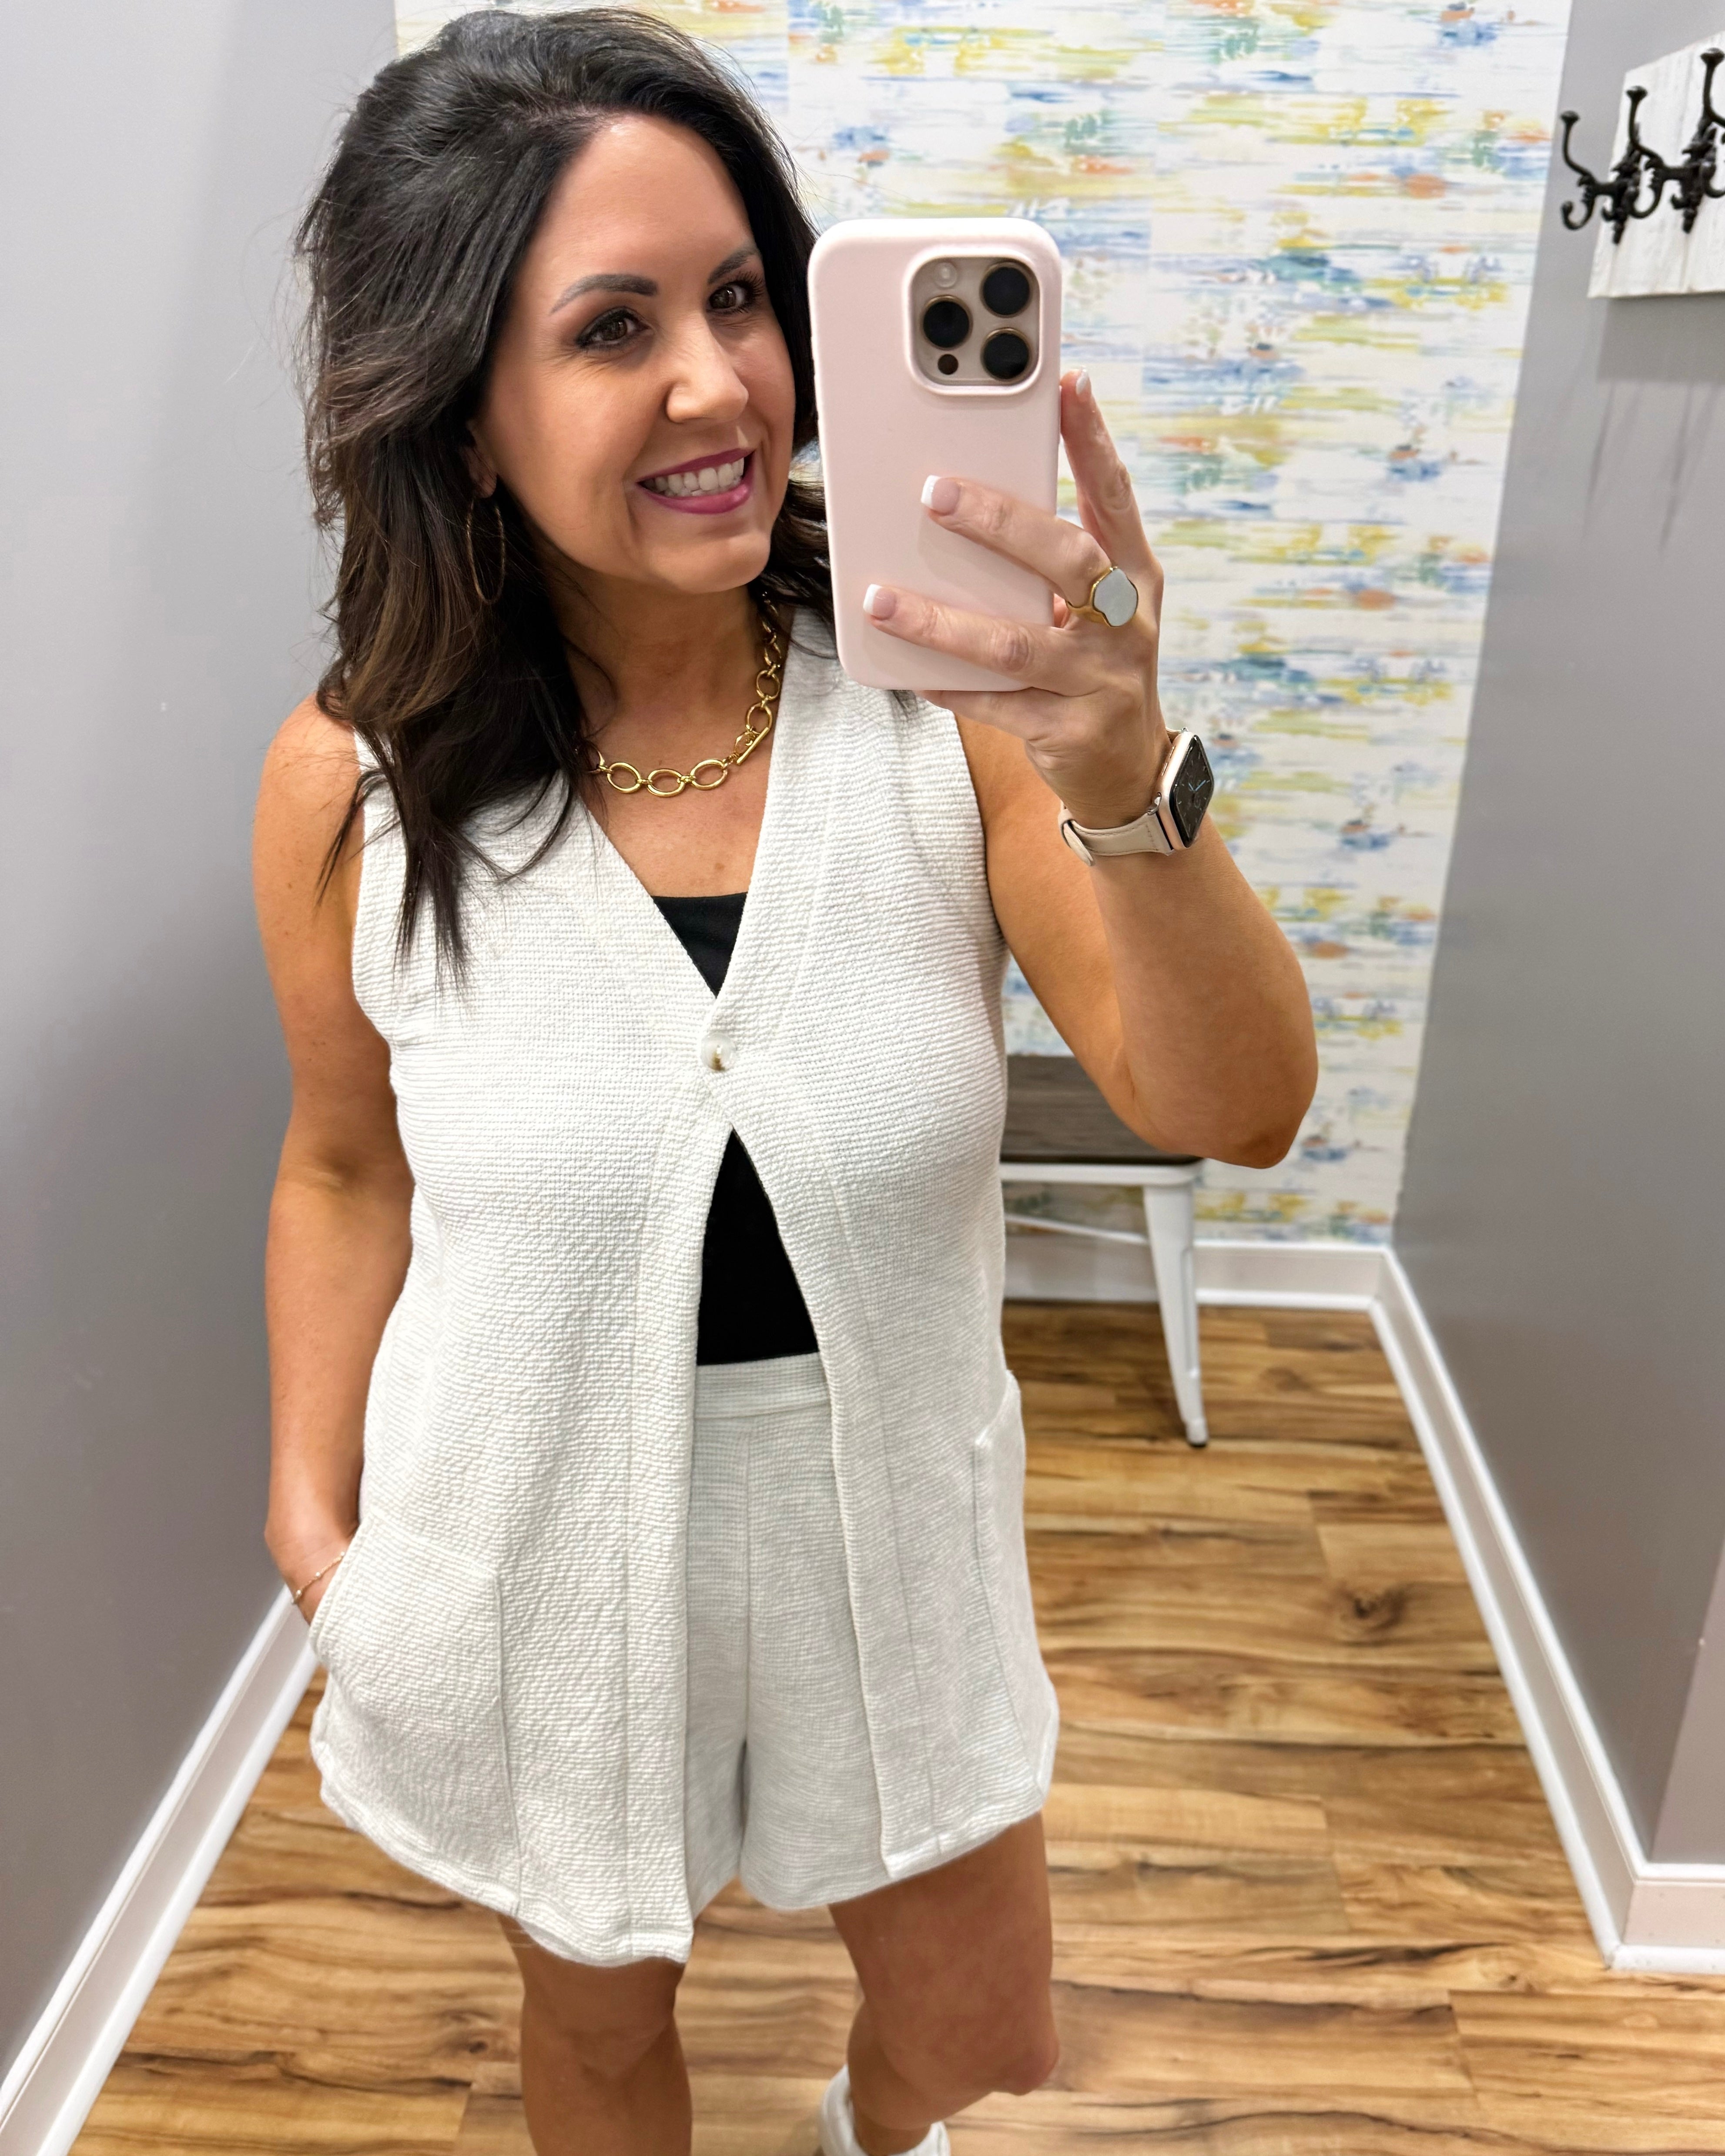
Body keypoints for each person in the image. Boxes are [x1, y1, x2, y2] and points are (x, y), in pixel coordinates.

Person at [251, 12, 1317, 2155]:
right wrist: (308, 1508)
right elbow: (345, 1168)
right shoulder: (354, 788)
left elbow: (1234, 1107)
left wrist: (1124, 771)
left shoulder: (950, 711)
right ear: (462, 418)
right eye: (613, 328)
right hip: (538, 1545)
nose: (720, 382)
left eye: (739, 296)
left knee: (988, 2025)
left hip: (886, 1536)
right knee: (595, 2034)